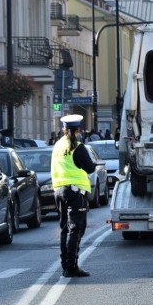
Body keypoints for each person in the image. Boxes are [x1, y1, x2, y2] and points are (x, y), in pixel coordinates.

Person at [51, 114, 96, 278]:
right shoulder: (77, 146)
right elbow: (90, 168)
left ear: (64, 129)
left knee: (65, 229)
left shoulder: (57, 146)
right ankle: (71, 267)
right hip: (75, 192)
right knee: (76, 230)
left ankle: (65, 265)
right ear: (78, 129)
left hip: (59, 190)